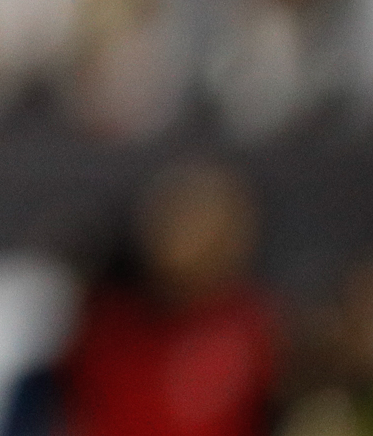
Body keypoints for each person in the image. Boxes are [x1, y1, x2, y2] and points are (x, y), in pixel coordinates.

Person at [59, 161, 280, 436]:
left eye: (198, 224)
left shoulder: (254, 327)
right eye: (172, 219)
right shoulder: (106, 321)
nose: (179, 237)